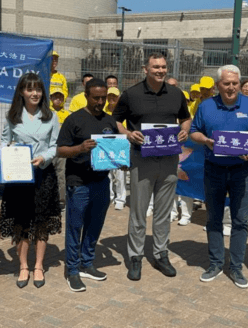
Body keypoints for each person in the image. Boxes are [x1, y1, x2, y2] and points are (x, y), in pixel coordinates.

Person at [113, 53, 191, 281]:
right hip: (142, 159)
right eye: (155, 67)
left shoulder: (176, 93)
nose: (160, 70)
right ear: (145, 69)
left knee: (163, 212)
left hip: (169, 160)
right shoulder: (131, 94)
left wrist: (184, 130)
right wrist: (128, 134)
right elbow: (115, 120)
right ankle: (135, 256)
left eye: (164, 67)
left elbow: (185, 118)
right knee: (138, 211)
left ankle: (160, 254)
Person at [190, 65, 248, 289]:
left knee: (240, 220)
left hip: (242, 171)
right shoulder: (206, 106)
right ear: (218, 85)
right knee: (213, 218)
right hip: (213, 169)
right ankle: (215, 263)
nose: (231, 87)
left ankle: (236, 266)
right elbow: (194, 131)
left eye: (235, 83)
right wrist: (206, 140)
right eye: (227, 83)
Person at [0, 73, 62, 289]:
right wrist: (8, 152)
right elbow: (5, 141)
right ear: (22, 92)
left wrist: (44, 157)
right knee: (22, 221)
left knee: (41, 222)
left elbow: (55, 145)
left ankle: (39, 266)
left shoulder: (51, 116)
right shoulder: (13, 115)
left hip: (43, 174)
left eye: (38, 89)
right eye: (29, 89)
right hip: (19, 176)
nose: (34, 93)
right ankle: (23, 265)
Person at [57, 78, 119, 292]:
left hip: (102, 181)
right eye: (96, 98)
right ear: (86, 95)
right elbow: (60, 150)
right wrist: (80, 148)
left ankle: (87, 262)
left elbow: (114, 149)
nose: (100, 102)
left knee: (95, 225)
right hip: (79, 182)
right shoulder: (74, 120)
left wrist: (122, 161)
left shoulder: (110, 121)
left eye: (103, 98)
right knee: (75, 227)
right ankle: (72, 270)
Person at [105, 87, 127, 210]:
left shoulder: (124, 111)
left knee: (120, 174)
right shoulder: (103, 111)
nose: (112, 98)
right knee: (107, 173)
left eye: (114, 96)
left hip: (120, 145)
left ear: (119, 97)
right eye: (110, 96)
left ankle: (121, 198)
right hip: (106, 145)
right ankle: (109, 196)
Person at [50, 85, 71, 211]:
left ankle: (61, 201)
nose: (58, 99)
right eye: (55, 97)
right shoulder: (46, 113)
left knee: (61, 175)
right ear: (51, 98)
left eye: (60, 97)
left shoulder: (67, 115)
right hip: (48, 149)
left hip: (62, 149)